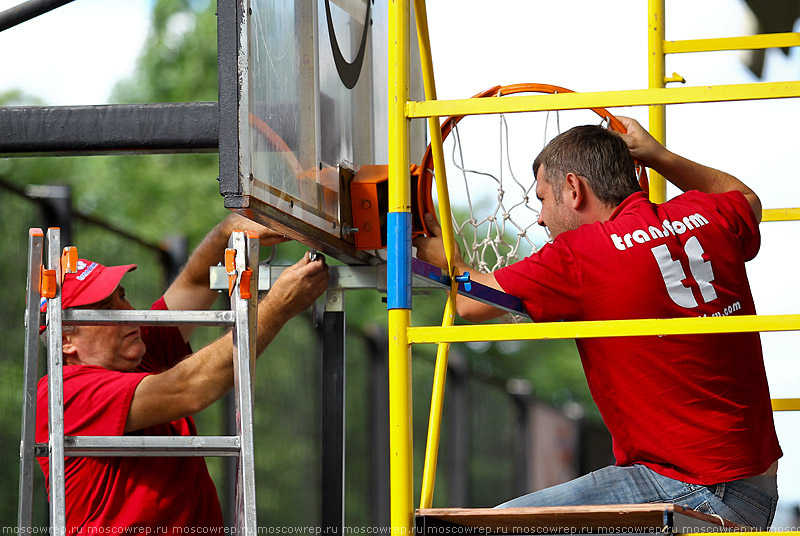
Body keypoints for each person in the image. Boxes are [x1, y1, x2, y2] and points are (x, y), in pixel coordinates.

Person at [413, 117, 782, 529]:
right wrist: (660, 156)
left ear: (574, 189)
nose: (539, 218)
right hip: (754, 487)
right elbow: (746, 197)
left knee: (483, 530)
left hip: (697, 490)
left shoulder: (581, 254)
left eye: (543, 198)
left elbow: (470, 304)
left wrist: (449, 261)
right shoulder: (705, 214)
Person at [36, 213, 329, 532]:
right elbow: (189, 389)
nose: (130, 312)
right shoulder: (63, 391)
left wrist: (228, 229)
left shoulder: (137, 356)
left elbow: (197, 282)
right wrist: (277, 307)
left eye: (122, 296)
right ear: (65, 339)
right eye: (106, 308)